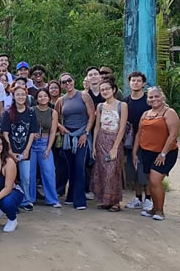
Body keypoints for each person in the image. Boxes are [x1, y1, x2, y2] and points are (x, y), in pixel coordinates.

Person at [132, 87, 180, 221]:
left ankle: (160, 211)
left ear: (162, 97)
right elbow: (139, 133)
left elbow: (173, 135)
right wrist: (135, 152)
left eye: (156, 96)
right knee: (150, 181)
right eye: (151, 97)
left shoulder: (169, 113)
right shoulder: (146, 114)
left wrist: (163, 153)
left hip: (165, 153)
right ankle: (154, 208)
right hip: (147, 152)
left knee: (155, 180)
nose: (154, 99)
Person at [54, 72, 95, 210]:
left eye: (69, 80)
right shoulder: (61, 100)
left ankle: (79, 200)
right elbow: (55, 117)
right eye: (64, 82)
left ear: (73, 80)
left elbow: (92, 116)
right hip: (68, 137)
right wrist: (60, 127)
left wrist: (86, 133)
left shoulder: (84, 95)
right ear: (61, 85)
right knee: (70, 167)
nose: (67, 83)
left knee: (79, 166)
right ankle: (70, 196)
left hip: (82, 134)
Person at [91, 78, 128, 211]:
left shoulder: (122, 105)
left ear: (113, 90)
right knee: (101, 171)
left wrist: (115, 147)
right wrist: (94, 146)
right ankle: (105, 201)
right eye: (102, 90)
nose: (105, 91)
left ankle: (115, 202)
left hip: (114, 140)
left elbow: (122, 127)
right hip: (101, 140)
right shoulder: (100, 106)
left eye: (107, 89)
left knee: (113, 172)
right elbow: (97, 126)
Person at [1, 85, 39, 211]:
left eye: (23, 94)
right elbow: (5, 133)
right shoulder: (8, 113)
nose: (21, 97)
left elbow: (32, 133)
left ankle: (26, 200)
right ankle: (10, 201)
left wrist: (27, 150)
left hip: (25, 150)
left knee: (25, 178)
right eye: (18, 94)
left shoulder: (31, 113)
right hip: (11, 151)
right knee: (10, 178)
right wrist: (10, 151)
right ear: (13, 96)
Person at [123, 71, 152, 211]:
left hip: (146, 141)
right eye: (133, 80)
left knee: (144, 171)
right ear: (129, 83)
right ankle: (138, 198)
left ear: (143, 83)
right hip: (129, 141)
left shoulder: (148, 101)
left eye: (138, 81)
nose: (135, 83)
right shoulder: (125, 101)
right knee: (133, 170)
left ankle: (149, 199)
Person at [31, 89, 60, 207]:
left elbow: (53, 132)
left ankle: (52, 199)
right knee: (30, 173)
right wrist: (32, 135)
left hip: (45, 143)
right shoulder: (32, 110)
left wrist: (48, 148)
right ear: (36, 99)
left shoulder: (53, 112)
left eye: (45, 96)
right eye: (40, 96)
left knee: (49, 171)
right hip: (32, 144)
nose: (42, 98)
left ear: (48, 98)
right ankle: (30, 198)